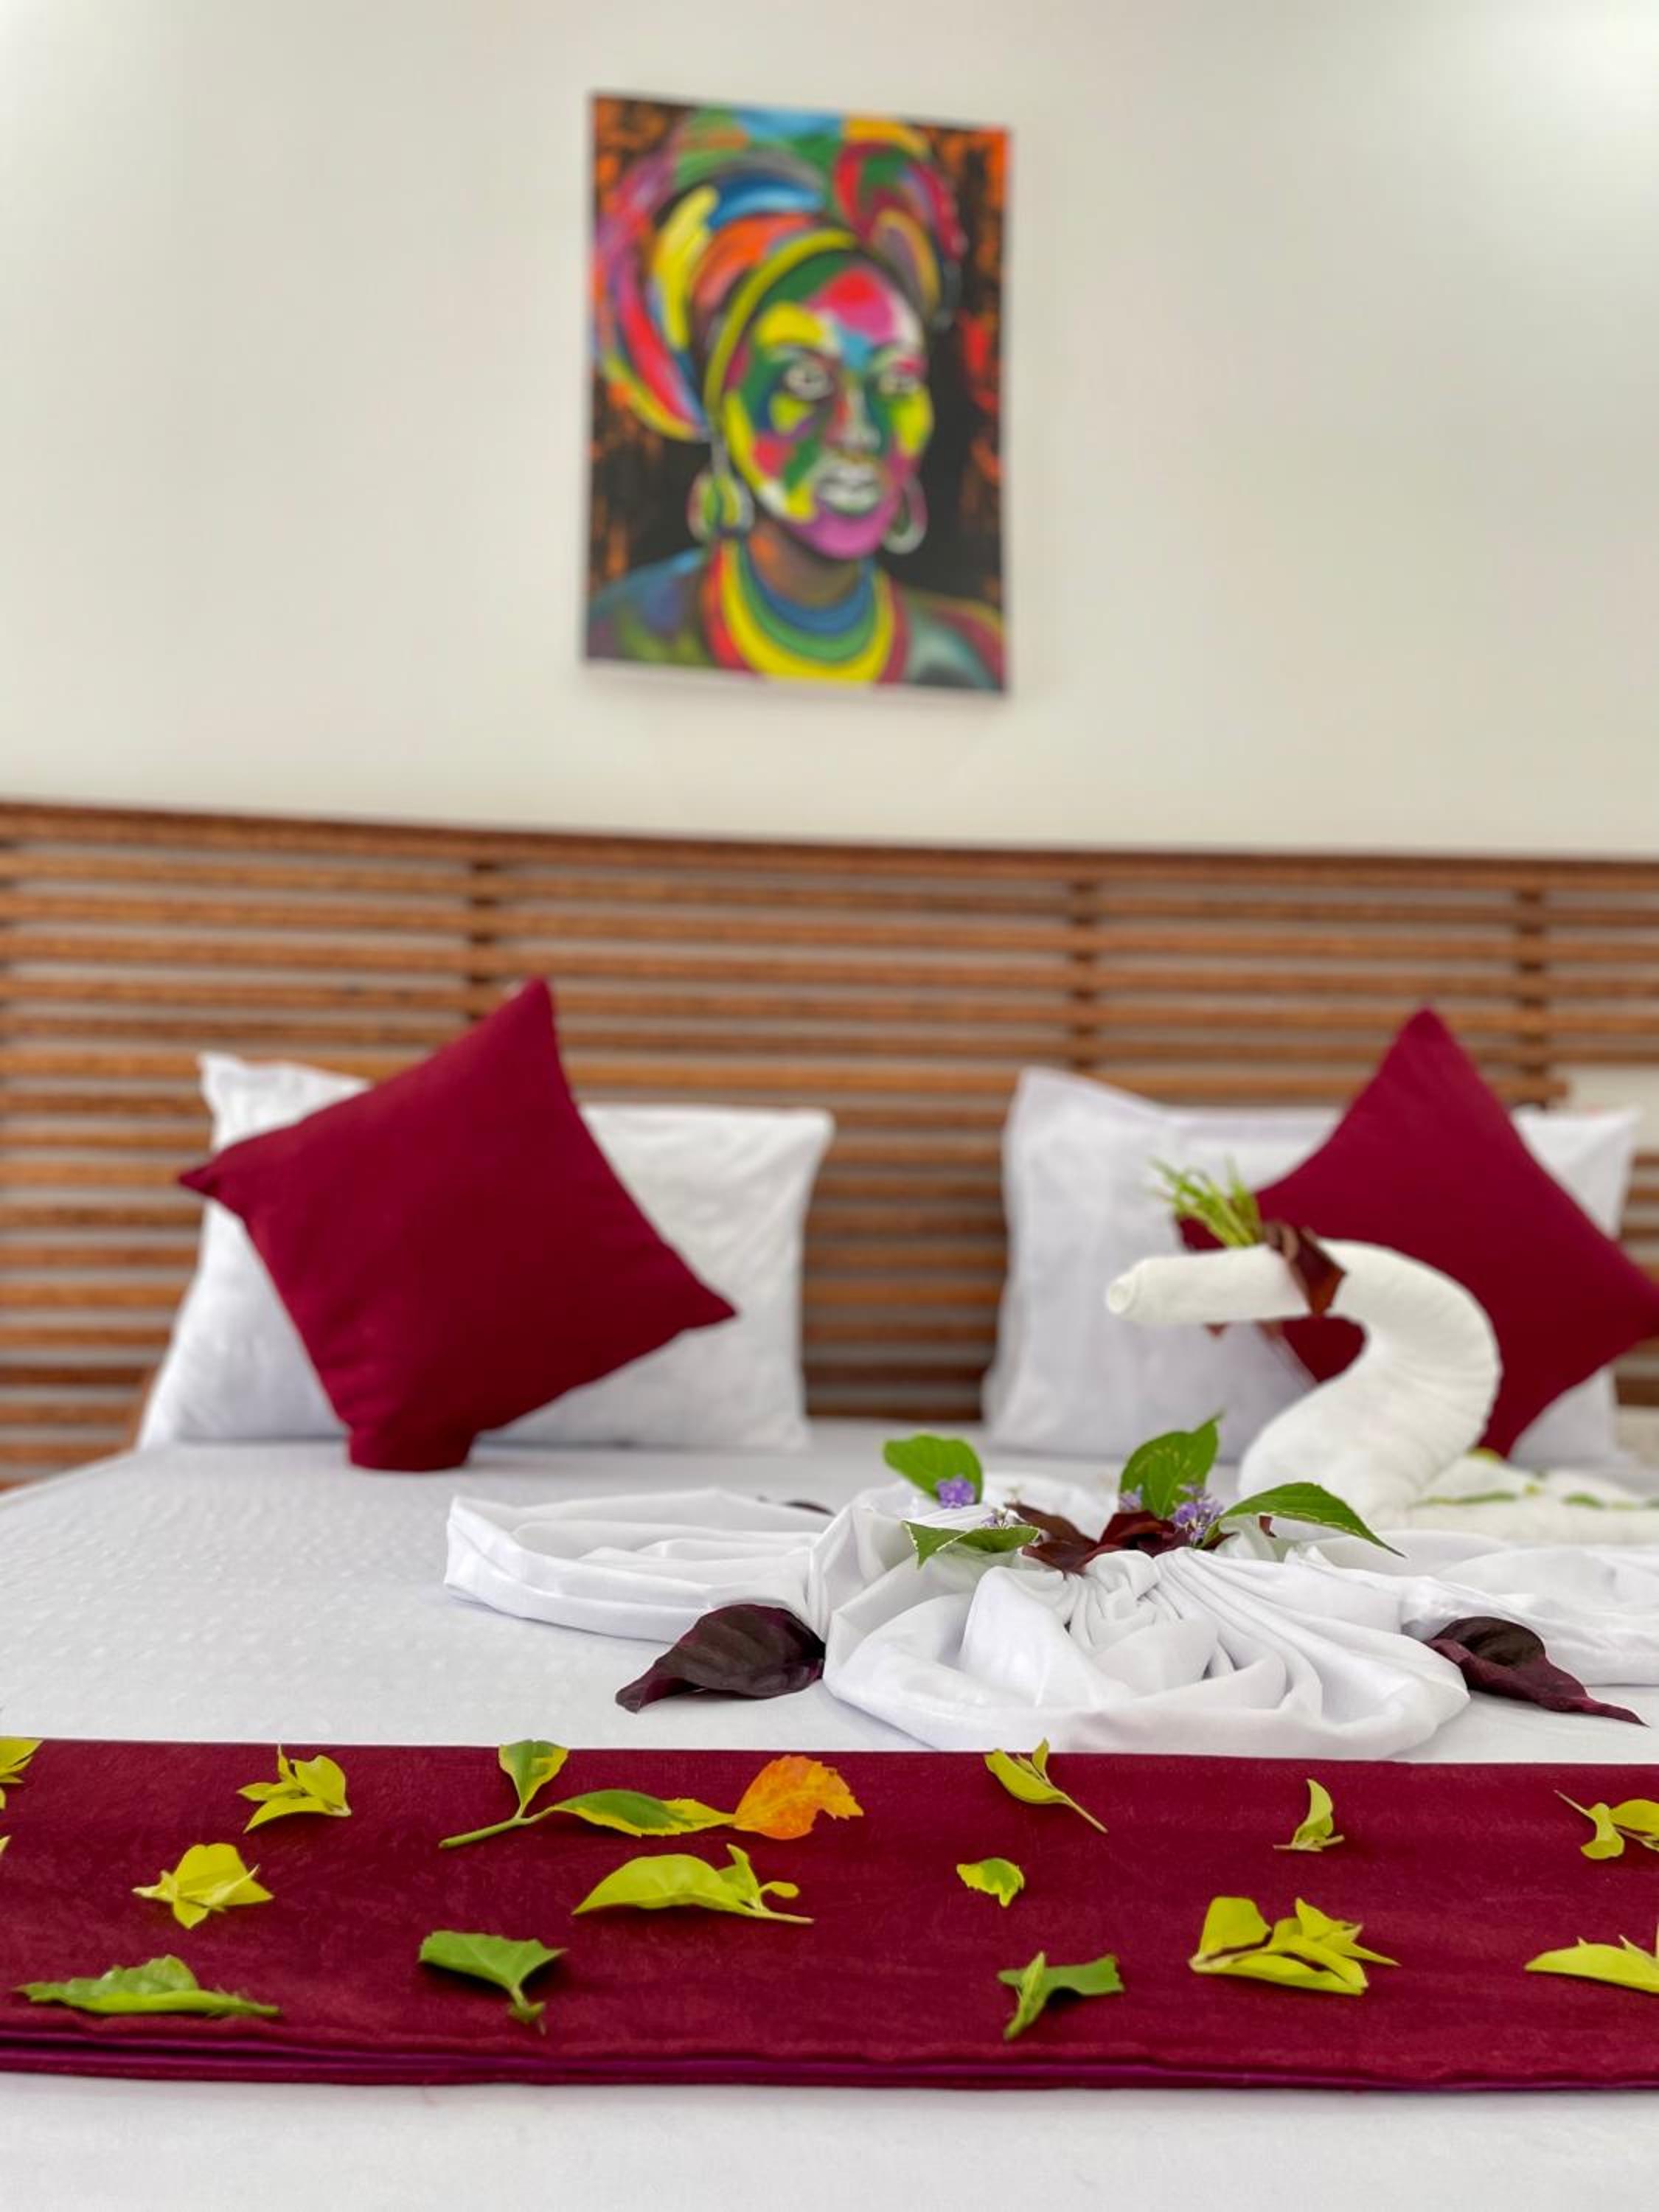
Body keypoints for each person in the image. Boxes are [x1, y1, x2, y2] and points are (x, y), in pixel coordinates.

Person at [588, 107, 1004, 689]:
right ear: (724, 408)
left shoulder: (980, 659)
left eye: (895, 381)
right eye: (806, 380)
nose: (858, 428)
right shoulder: (618, 640)